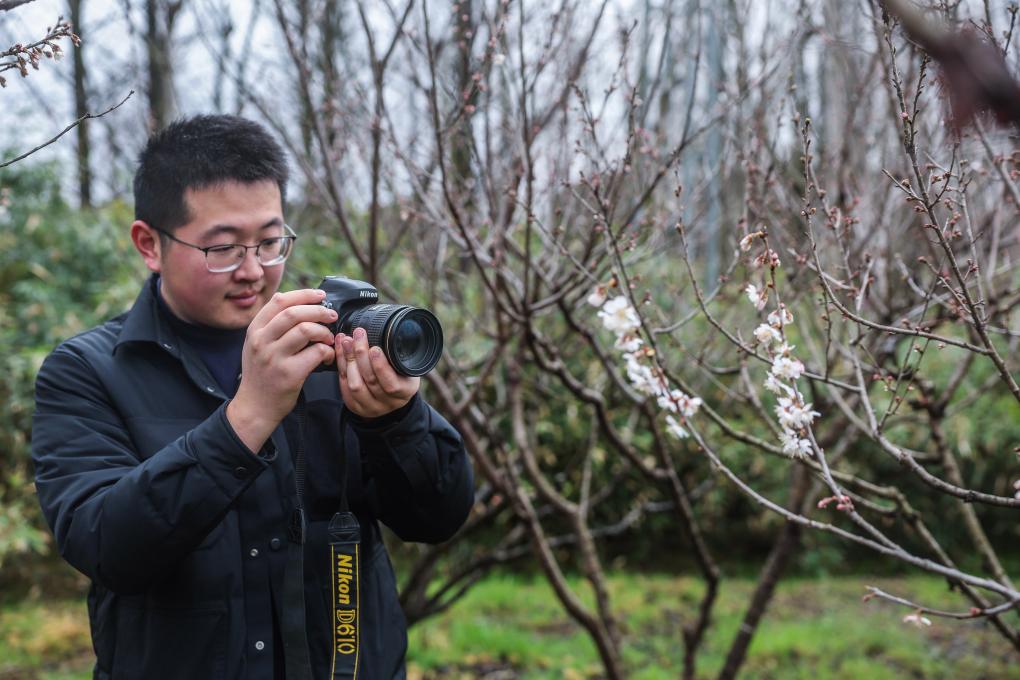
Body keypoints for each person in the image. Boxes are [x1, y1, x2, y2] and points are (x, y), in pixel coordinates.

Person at [31, 114, 474, 680]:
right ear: (150, 244)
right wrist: (247, 417)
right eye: (223, 249)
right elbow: (106, 546)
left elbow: (439, 517)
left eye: (270, 241)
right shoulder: (88, 371)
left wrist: (398, 420)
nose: (254, 271)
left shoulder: (325, 344)